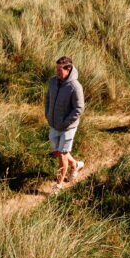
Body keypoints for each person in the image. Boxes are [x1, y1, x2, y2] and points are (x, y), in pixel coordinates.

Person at [44, 55, 85, 190]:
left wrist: (66, 122)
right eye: (56, 69)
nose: (57, 72)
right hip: (54, 124)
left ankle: (59, 185)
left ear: (68, 69)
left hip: (68, 127)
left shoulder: (75, 87)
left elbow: (79, 108)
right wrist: (48, 114)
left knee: (62, 154)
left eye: (60, 70)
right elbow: (48, 98)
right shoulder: (52, 81)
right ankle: (76, 165)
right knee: (57, 152)